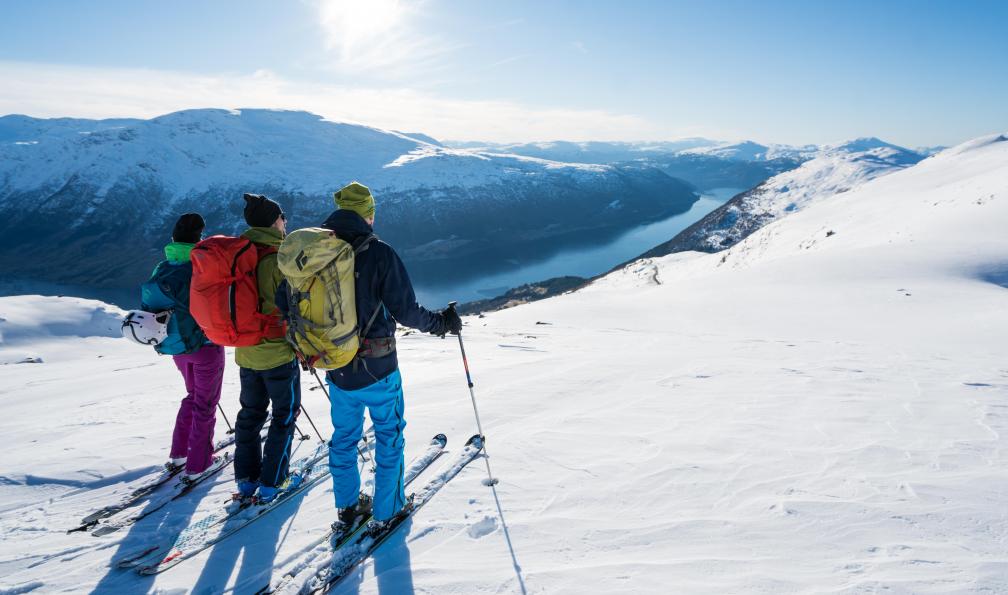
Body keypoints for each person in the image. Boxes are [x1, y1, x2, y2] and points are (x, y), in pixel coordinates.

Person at [321, 181, 462, 530]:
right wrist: (442, 323)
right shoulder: (378, 253)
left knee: (344, 438)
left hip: (336, 367)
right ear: (368, 214)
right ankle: (388, 510)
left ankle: (348, 507)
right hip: (378, 368)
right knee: (389, 435)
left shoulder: (315, 252)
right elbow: (407, 312)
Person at [140, 213, 226, 481]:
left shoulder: (162, 268)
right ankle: (199, 464)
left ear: (173, 240)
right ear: (199, 239)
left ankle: (179, 454)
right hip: (204, 345)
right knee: (206, 404)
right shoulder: (200, 265)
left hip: (175, 346)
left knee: (193, 395)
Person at [232, 193, 302, 503]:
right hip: (277, 353)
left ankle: (246, 480)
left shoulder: (238, 256)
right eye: (283, 218)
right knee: (284, 415)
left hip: (246, 351)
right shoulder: (277, 260)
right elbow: (295, 307)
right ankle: (274, 482)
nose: (285, 223)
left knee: (250, 414)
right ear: (275, 222)